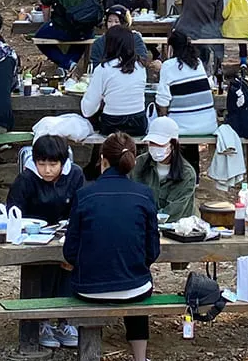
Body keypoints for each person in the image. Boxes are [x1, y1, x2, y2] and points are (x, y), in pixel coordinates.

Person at [63, 133, 159, 361]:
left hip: (89, 289)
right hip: (136, 287)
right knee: (136, 286)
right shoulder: (144, 194)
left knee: (126, 280)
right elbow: (153, 252)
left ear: (102, 160)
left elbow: (69, 252)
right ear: (133, 161)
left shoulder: (85, 194)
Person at [6, 133, 86, 350]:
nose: (48, 170)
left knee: (68, 266)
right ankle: (42, 321)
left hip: (65, 235)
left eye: (53, 164)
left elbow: (81, 209)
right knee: (42, 271)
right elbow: (13, 211)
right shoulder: (26, 179)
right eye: (42, 164)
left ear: (63, 162)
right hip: (32, 237)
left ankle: (65, 320)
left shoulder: (75, 175)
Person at [155, 29, 217, 169]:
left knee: (170, 127)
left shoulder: (168, 66)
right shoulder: (198, 62)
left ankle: (176, 173)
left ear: (170, 48)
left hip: (182, 127)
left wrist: (163, 121)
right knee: (187, 123)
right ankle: (194, 176)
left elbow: (163, 101)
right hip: (207, 124)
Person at [80, 25, 150, 137]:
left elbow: (87, 109)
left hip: (112, 124)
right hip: (138, 123)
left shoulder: (103, 68)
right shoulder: (140, 67)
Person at [134, 116, 200, 220]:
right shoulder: (138, 164)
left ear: (173, 145)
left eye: (159, 144)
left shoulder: (187, 173)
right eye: (151, 143)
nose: (154, 147)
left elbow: (174, 211)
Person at [174, 0, 226, 69]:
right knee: (217, 41)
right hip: (204, 33)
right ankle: (217, 70)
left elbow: (184, 7)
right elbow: (218, 19)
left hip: (184, 29)